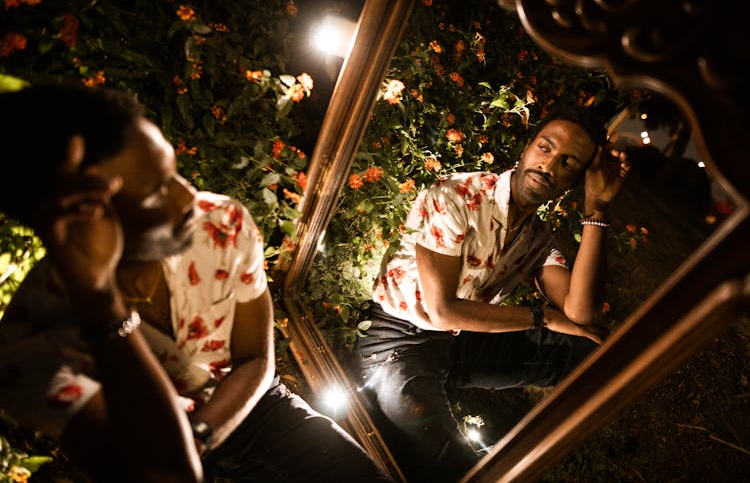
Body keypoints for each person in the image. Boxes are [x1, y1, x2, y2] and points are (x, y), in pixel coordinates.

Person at [0, 82, 392, 482]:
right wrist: (100, 300)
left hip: (253, 409)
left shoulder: (221, 224)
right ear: (81, 215)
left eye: (174, 172)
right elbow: (164, 471)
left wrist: (200, 436)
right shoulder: (33, 345)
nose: (187, 198)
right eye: (156, 193)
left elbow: (256, 359)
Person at [354, 105, 630, 481]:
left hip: (458, 343)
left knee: (587, 352)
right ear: (527, 147)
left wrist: (596, 208)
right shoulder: (456, 195)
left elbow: (582, 312)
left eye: (568, 163)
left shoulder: (536, 237)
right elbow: (442, 311)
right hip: (396, 341)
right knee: (459, 469)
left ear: (575, 180)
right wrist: (543, 317)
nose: (548, 166)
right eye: (545, 148)